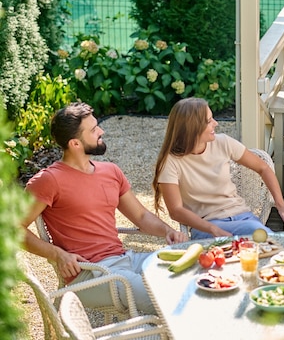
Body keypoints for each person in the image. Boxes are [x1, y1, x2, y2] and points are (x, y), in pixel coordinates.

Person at [22, 102, 188, 314]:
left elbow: (141, 215)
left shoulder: (111, 172)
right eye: (93, 130)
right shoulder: (49, 180)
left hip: (126, 260)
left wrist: (168, 231)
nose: (101, 131)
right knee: (163, 299)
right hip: (89, 274)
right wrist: (58, 254)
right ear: (75, 144)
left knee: (188, 276)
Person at [153, 97, 284, 240]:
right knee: (261, 236)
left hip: (243, 217)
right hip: (206, 226)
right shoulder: (170, 162)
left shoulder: (223, 143)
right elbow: (176, 211)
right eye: (209, 121)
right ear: (193, 129)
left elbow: (263, 168)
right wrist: (212, 229)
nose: (215, 123)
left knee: (257, 239)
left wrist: (280, 204)